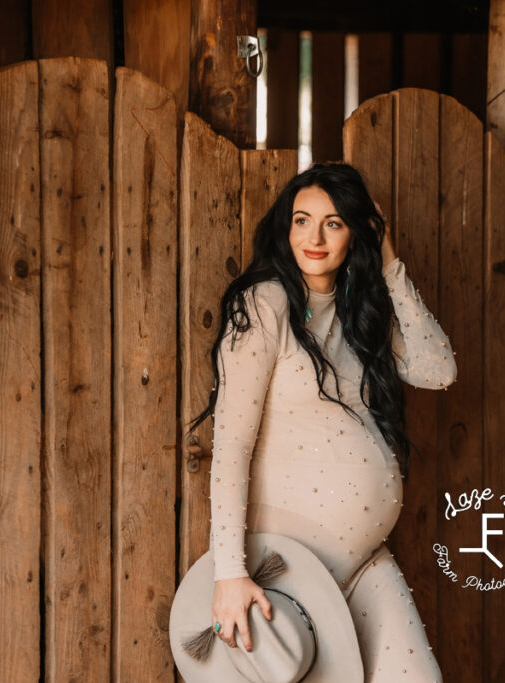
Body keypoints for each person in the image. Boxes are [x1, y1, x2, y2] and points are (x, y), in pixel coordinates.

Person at [187, 162, 456, 681]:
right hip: (292, 568)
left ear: (356, 231)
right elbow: (231, 447)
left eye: (333, 223)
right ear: (285, 227)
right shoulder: (263, 305)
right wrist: (230, 573)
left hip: (363, 562)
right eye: (302, 220)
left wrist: (391, 262)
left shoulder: (358, 309)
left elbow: (438, 369)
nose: (314, 237)